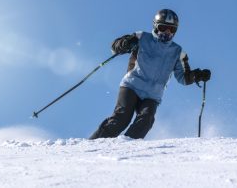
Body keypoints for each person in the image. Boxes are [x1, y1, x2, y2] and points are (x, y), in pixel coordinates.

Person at [90, 9, 211, 140]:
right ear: (155, 26)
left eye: (172, 29)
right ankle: (93, 144)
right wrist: (125, 43)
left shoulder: (177, 52)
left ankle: (126, 147)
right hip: (132, 85)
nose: (167, 32)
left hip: (152, 95)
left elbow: (184, 78)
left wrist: (197, 75)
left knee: (146, 120)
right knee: (121, 119)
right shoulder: (142, 37)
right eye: (163, 27)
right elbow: (115, 47)